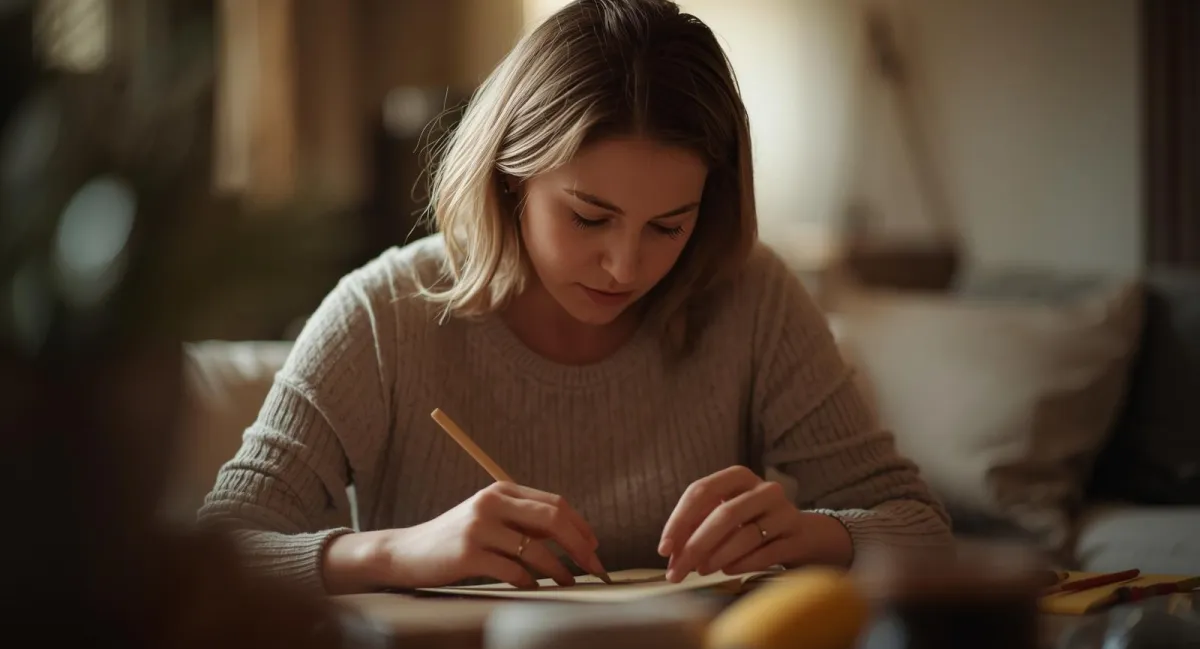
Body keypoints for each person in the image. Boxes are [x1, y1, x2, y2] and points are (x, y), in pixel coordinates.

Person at [199, 0, 953, 596]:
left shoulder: (750, 296)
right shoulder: (382, 315)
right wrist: (402, 551)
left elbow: (922, 527)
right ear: (508, 179)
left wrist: (813, 533)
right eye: (589, 217)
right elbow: (217, 551)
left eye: (669, 225)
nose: (626, 266)